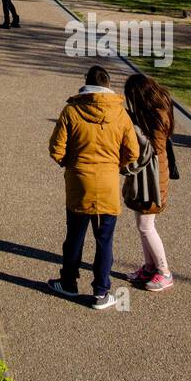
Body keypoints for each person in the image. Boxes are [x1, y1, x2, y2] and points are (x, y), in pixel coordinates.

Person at [48, 65, 140, 309]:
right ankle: (101, 291)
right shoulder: (120, 114)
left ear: (85, 84)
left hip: (79, 183)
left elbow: (56, 149)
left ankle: (69, 282)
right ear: (108, 85)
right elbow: (133, 151)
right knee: (104, 240)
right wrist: (114, 165)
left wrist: (71, 165)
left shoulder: (72, 111)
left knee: (74, 237)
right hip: (108, 185)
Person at [122, 73, 175, 292]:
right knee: (142, 225)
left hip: (153, 178)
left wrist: (133, 129)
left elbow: (154, 148)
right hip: (148, 176)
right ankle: (149, 266)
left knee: (146, 226)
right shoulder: (156, 108)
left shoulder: (157, 116)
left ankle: (164, 272)